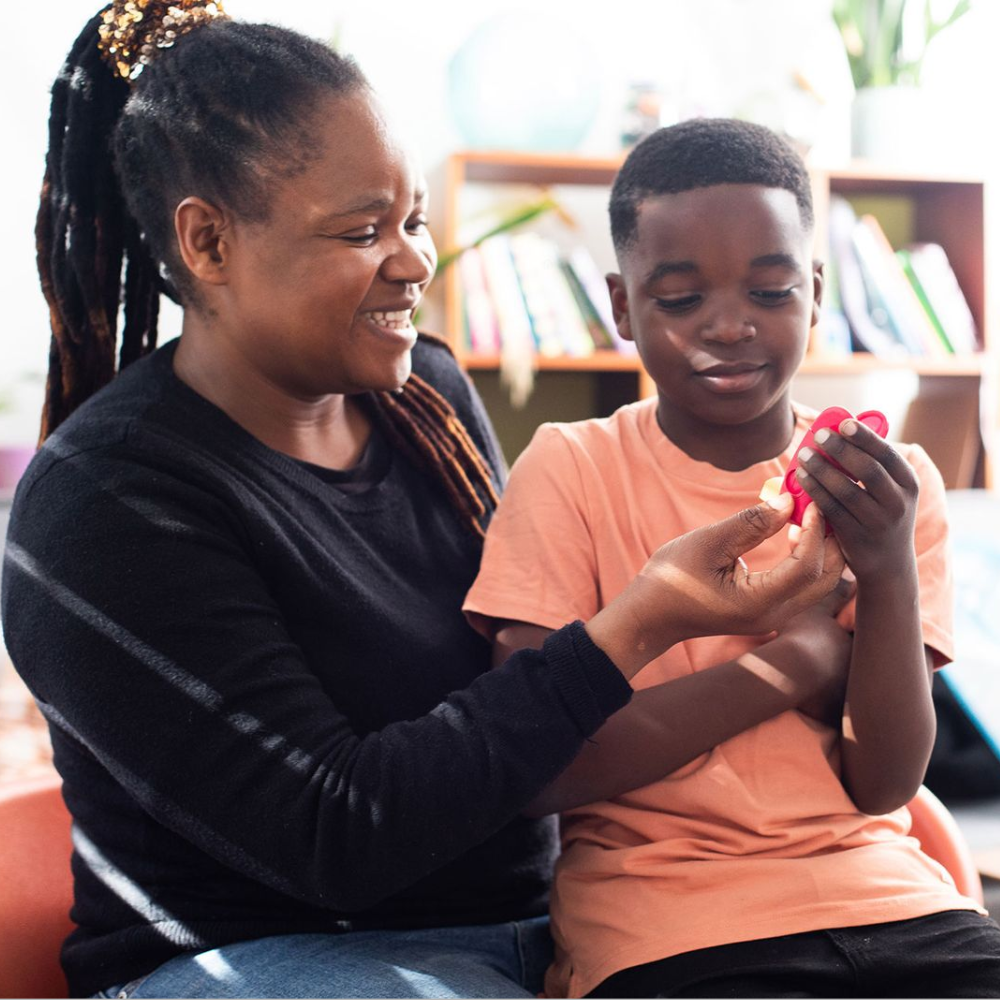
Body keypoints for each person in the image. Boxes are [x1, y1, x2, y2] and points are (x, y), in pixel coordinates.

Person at [1, 5, 848, 998]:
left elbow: (528, 676)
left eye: (413, 221)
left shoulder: (424, 398)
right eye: (363, 231)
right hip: (265, 957)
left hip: (540, 920)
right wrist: (642, 625)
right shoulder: (109, 503)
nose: (413, 263)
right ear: (208, 242)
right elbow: (336, 836)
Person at [464, 117, 1000, 999]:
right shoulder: (571, 467)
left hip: (894, 905)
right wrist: (801, 659)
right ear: (622, 307)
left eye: (771, 291)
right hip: (669, 931)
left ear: (815, 295)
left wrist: (889, 570)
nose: (729, 326)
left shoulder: (893, 485)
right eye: (680, 300)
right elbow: (542, 765)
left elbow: (884, 782)